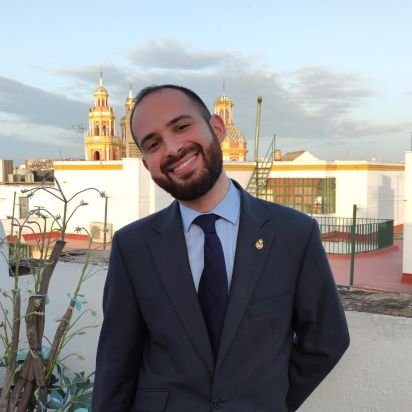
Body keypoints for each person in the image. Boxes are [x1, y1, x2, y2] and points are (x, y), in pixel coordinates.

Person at [92, 85, 350, 412]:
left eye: (182, 126)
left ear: (217, 128)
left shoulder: (294, 234)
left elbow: (327, 340)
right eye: (153, 144)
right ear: (147, 164)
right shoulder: (133, 247)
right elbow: (116, 364)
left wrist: (270, 401)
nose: (172, 148)